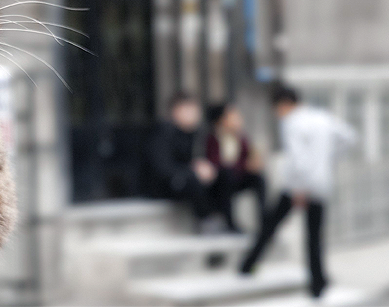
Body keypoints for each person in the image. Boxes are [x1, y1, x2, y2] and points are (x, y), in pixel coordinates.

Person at [240, 86, 356, 298]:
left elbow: (297, 158)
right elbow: (349, 137)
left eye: (277, 108)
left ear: (284, 104)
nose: (277, 113)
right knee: (314, 236)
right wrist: (327, 159)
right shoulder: (321, 117)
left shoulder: (292, 122)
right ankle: (318, 283)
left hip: (297, 185)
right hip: (321, 183)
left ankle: (248, 265)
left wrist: (300, 188)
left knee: (271, 223)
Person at [146, 93, 219, 226]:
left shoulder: (199, 133)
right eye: (188, 110)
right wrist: (193, 171)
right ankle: (206, 220)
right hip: (167, 184)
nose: (194, 114)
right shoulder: (164, 133)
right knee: (193, 179)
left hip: (189, 179)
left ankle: (225, 220)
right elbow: (163, 168)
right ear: (176, 111)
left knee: (224, 176)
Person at [206, 104, 266, 233]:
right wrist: (243, 165)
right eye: (232, 116)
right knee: (226, 174)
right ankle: (229, 223)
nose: (237, 119)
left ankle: (264, 221)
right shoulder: (212, 137)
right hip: (219, 183)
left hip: (236, 178)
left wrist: (253, 163)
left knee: (258, 177)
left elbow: (247, 156)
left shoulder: (240, 137)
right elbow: (216, 163)